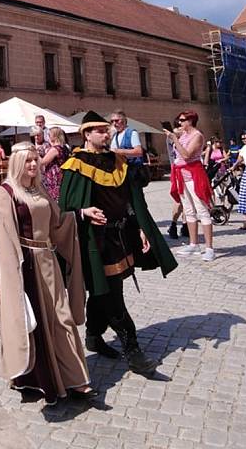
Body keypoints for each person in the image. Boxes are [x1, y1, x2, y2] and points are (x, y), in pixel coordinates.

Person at [60, 111, 177, 374]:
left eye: (108, 129)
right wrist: (83, 213)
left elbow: (131, 200)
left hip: (120, 237)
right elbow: (65, 207)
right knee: (110, 292)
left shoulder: (117, 162)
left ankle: (92, 334)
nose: (107, 133)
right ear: (87, 134)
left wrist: (142, 229)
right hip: (94, 241)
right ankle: (133, 348)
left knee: (106, 289)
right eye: (101, 130)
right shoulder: (75, 164)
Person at [0, 142, 95, 403]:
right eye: (27, 160)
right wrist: (15, 275)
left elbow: (57, 223)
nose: (33, 164)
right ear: (17, 162)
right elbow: (4, 239)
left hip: (48, 261)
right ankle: (39, 378)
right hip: (26, 265)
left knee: (62, 318)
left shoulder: (39, 190)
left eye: (35, 160)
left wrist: (81, 214)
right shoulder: (6, 193)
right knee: (36, 324)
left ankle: (76, 378)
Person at [165, 110, 215, 261]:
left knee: (202, 210)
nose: (179, 123)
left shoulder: (197, 136)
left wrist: (175, 139)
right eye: (179, 120)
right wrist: (175, 137)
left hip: (194, 175)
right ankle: (193, 243)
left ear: (190, 121)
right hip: (182, 176)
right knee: (188, 210)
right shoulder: (184, 135)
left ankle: (209, 247)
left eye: (182, 120)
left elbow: (186, 155)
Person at [110, 111, 147, 187]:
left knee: (135, 196)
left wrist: (118, 151)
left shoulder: (131, 133)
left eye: (117, 120)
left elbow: (139, 151)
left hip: (133, 171)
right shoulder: (115, 135)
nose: (114, 123)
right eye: (112, 121)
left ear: (124, 121)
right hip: (120, 171)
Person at [39, 127, 70, 200]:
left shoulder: (55, 149)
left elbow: (42, 162)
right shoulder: (64, 147)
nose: (48, 137)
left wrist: (36, 153)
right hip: (61, 173)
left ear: (55, 136)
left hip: (54, 176)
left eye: (49, 135)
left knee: (55, 197)